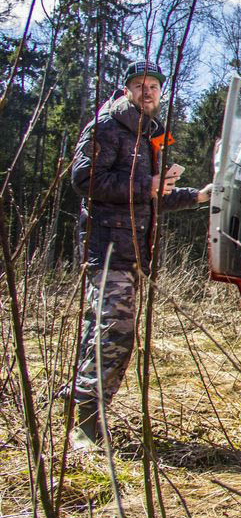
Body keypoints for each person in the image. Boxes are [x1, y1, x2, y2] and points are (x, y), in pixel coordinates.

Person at [67, 60, 213, 450]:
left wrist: (198, 196)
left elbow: (150, 197)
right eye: (139, 85)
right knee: (114, 333)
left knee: (102, 331)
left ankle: (78, 404)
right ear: (127, 90)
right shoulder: (107, 126)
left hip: (133, 251)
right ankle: (86, 427)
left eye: (153, 86)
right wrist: (145, 183)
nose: (147, 92)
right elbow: (85, 179)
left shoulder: (149, 134)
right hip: (107, 248)